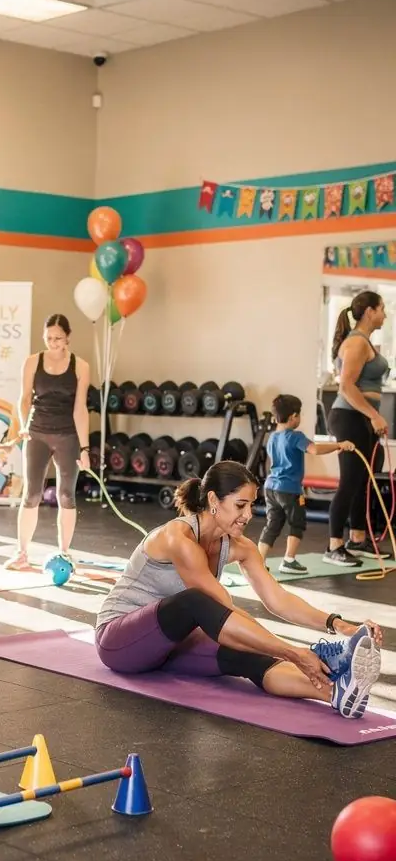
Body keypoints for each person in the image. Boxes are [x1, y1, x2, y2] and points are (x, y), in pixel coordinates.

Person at [95, 461, 382, 720]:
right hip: (119, 642)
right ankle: (315, 659)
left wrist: (338, 624)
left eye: (251, 506)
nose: (247, 515)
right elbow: (220, 609)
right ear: (213, 501)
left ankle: (334, 692)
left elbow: (277, 599)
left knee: (249, 655)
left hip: (169, 649)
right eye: (240, 505)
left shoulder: (240, 546)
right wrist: (294, 652)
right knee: (198, 604)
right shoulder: (177, 538)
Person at [6, 313, 91, 569]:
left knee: (66, 495)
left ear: (68, 338)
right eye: (48, 338)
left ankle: (64, 552)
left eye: (58, 338)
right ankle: (21, 553)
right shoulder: (33, 362)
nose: (53, 343)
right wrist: (23, 425)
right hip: (37, 433)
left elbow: (80, 409)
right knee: (31, 494)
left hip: (68, 435)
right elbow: (24, 399)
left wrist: (85, 448)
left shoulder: (81, 366)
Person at [325, 290, 390, 565]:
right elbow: (346, 386)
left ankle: (358, 539)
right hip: (349, 416)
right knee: (350, 482)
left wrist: (372, 416)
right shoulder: (356, 343)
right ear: (369, 312)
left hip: (360, 417)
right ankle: (334, 546)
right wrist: (373, 415)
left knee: (364, 482)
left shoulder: (365, 343)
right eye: (382, 309)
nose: (385, 314)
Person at [258, 393, 353, 573]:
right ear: (293, 416)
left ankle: (259, 561)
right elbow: (315, 449)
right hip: (290, 490)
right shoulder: (296, 436)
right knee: (297, 524)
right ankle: (288, 560)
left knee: (272, 525)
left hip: (270, 487)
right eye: (299, 415)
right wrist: (339, 445)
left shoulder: (272, 437)